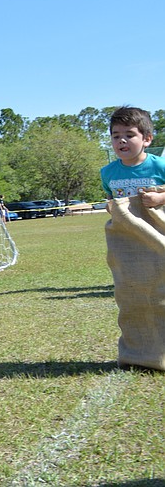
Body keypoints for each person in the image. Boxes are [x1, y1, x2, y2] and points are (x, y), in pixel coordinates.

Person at [100, 106, 165, 371]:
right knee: (134, 294)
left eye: (129, 135)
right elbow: (108, 198)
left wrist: (160, 197)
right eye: (116, 136)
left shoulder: (159, 165)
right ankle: (139, 352)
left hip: (157, 235)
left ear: (147, 139)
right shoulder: (108, 173)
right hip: (130, 244)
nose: (122, 141)